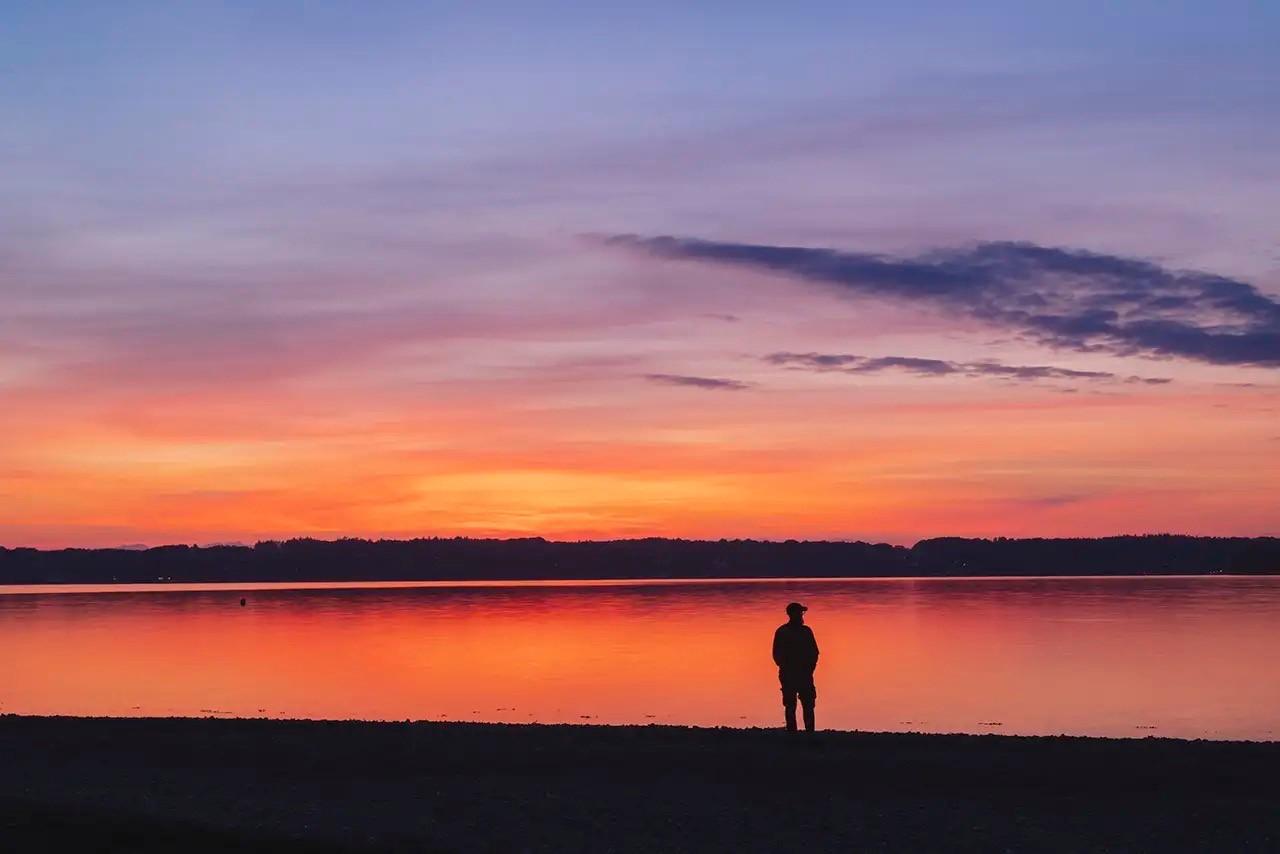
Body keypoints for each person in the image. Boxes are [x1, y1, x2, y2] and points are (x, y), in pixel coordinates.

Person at [772, 602, 819, 732]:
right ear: (792, 614)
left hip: (804, 674)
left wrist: (810, 668)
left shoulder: (806, 631)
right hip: (790, 675)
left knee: (807, 704)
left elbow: (814, 652)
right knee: (791, 705)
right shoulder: (783, 632)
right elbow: (777, 655)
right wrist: (788, 668)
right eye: (799, 613)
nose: (801, 615)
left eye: (801, 613)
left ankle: (809, 732)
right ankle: (793, 733)